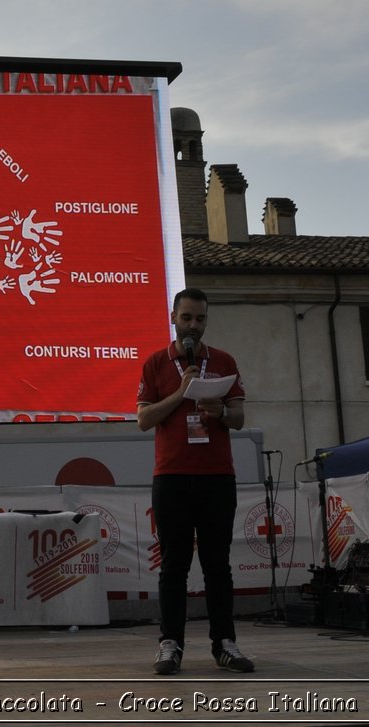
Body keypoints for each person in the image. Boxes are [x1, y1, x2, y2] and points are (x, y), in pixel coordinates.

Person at [136, 286, 253, 675]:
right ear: (173, 318)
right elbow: (143, 420)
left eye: (200, 319)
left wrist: (220, 411)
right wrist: (180, 393)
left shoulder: (223, 361)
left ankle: (225, 643)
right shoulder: (156, 363)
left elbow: (238, 418)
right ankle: (170, 644)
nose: (193, 326)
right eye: (186, 318)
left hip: (217, 477)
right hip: (171, 476)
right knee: (174, 565)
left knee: (218, 564)